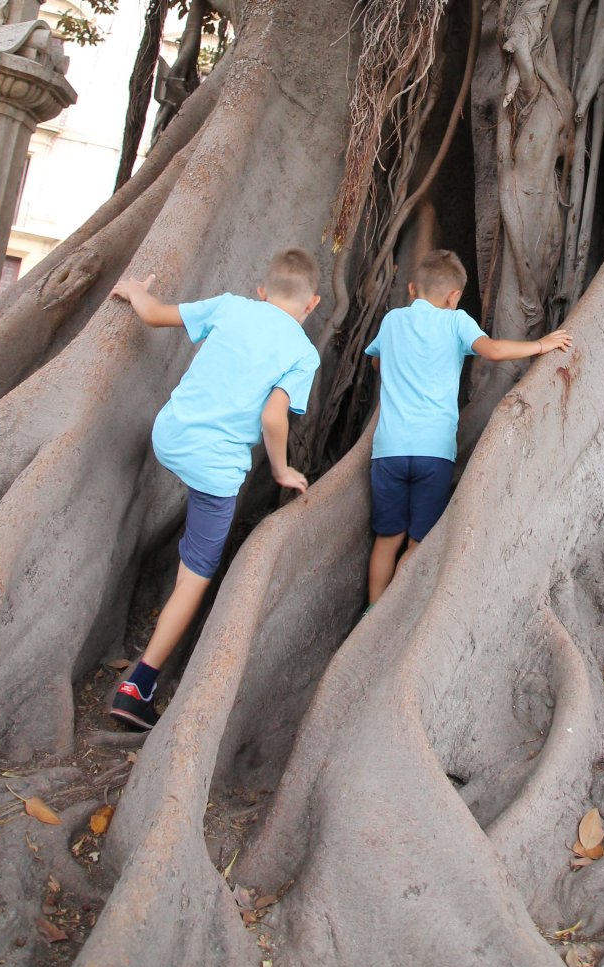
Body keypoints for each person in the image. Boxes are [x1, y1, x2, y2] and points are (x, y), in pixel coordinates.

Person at [108, 248, 321, 730]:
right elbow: (273, 417)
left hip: (169, 436)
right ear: (313, 304)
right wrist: (282, 470)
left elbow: (154, 314)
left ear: (262, 292)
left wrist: (137, 291)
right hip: (216, 467)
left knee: (196, 489)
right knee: (196, 575)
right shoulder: (303, 353)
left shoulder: (230, 305)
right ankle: (138, 687)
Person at [364, 248, 571, 605]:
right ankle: (390, 615)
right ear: (454, 296)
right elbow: (492, 351)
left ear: (411, 289)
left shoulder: (392, 321)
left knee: (387, 538)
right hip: (434, 454)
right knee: (418, 542)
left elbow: (377, 364)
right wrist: (541, 344)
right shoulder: (456, 321)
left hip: (388, 451)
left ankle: (371, 610)